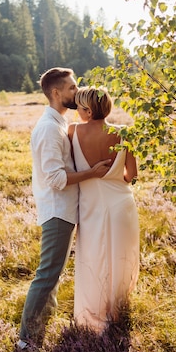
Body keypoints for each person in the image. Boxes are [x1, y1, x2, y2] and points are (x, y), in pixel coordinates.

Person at [17, 68, 112, 351]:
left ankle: (39, 330)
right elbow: (56, 179)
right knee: (47, 274)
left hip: (66, 210)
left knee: (54, 274)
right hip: (57, 211)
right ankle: (26, 340)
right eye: (72, 88)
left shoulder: (59, 123)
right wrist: (93, 173)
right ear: (56, 93)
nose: (76, 91)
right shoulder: (48, 128)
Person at [69, 85, 140, 333]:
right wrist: (112, 174)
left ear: (88, 110)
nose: (76, 110)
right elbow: (131, 175)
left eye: (79, 106)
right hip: (121, 204)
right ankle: (116, 311)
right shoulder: (123, 133)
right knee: (119, 257)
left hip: (92, 207)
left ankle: (95, 311)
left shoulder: (72, 131)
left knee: (93, 256)